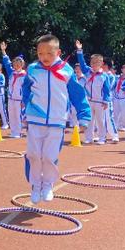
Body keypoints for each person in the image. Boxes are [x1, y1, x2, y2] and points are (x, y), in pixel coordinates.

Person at [22, 34, 91, 203]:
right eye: (40, 54)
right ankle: (35, 185)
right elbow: (25, 91)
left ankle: (47, 184)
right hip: (35, 119)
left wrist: (84, 117)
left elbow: (77, 94)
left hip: (57, 120)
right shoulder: (32, 69)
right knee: (33, 154)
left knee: (49, 156)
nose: (44, 57)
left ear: (58, 52)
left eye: (49, 54)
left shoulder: (66, 70)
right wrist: (27, 108)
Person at [76, 40, 118, 144]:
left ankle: (102, 138)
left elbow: (107, 90)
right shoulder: (87, 71)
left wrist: (105, 101)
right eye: (93, 62)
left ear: (101, 64)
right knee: (90, 120)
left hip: (100, 101)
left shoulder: (104, 76)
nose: (94, 64)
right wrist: (79, 50)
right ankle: (89, 138)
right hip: (89, 100)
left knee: (101, 121)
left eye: (97, 62)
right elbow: (82, 63)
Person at [0, 42, 27, 138]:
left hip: (19, 100)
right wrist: (3, 51)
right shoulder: (12, 73)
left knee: (18, 116)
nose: (17, 65)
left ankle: (18, 132)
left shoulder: (25, 75)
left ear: (22, 64)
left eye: (19, 64)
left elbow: (26, 89)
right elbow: (6, 63)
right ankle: (13, 131)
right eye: (15, 64)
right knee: (11, 115)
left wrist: (24, 100)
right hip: (11, 98)